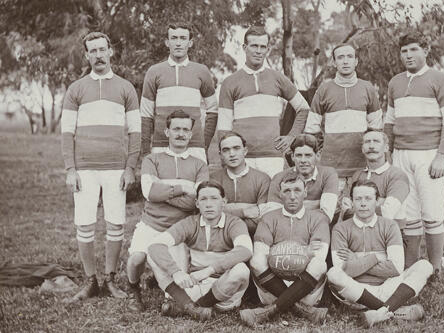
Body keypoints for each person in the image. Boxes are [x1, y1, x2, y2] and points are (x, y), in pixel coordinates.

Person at [61, 31, 141, 301]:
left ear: (110, 51)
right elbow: (67, 133)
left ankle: (110, 280)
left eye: (102, 50)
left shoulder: (125, 87)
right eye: (92, 51)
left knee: (115, 223)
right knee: (84, 224)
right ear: (86, 55)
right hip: (84, 169)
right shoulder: (76, 88)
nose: (98, 55)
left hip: (116, 168)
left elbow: (135, 132)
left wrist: (130, 167)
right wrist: (70, 169)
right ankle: (90, 281)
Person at [384, 31, 444, 274]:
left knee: (432, 212)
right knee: (409, 212)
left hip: (428, 154)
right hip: (400, 154)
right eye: (404, 51)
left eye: (414, 49)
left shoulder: (440, 79)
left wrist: (442, 155)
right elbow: (389, 120)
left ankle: (436, 268)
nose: (408, 55)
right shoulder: (395, 82)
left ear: (425, 51)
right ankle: (412, 267)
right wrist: (388, 152)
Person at [126, 110, 208, 311]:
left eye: (185, 130)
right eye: (176, 129)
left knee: (176, 279)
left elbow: (197, 202)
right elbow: (148, 192)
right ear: (167, 131)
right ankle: (132, 289)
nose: (181, 133)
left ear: (191, 134)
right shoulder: (152, 160)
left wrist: (162, 190)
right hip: (151, 223)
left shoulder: (199, 165)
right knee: (136, 258)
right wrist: (183, 189)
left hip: (179, 229)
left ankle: (167, 294)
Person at [327, 180, 433, 328]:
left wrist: (357, 260)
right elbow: (344, 269)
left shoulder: (390, 226)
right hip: (357, 293)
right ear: (351, 202)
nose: (363, 203)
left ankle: (379, 313)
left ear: (377, 201)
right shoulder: (340, 229)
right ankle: (393, 310)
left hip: (389, 287)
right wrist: (376, 257)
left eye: (368, 198)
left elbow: (395, 268)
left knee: (425, 265)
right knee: (333, 273)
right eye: (358, 199)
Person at [147, 181, 253, 321]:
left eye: (214, 198)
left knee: (241, 270)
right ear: (197, 203)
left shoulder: (234, 223)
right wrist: (176, 272)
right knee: (152, 257)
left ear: (223, 202)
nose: (208, 204)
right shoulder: (190, 223)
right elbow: (155, 245)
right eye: (203, 199)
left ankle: (188, 307)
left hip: (225, 289)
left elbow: (245, 250)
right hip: (196, 286)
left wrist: (209, 270)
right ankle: (193, 308)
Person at [218, 26, 311, 178]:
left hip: (272, 157)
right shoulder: (230, 82)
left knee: (272, 201)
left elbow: (303, 108)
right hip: (242, 157)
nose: (258, 51)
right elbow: (224, 127)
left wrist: (291, 136)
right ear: (244, 47)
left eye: (263, 47)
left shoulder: (277, 78)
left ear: (267, 49)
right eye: (254, 46)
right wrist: (225, 158)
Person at [240, 171, 330, 327]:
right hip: (272, 287)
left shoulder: (318, 218)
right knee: (256, 260)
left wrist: (278, 251)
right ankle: (304, 310)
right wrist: (304, 251)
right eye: (287, 191)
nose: (292, 196)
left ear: (305, 193)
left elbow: (319, 255)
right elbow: (261, 253)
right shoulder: (268, 218)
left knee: (319, 265)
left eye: (297, 190)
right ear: (280, 194)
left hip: (306, 290)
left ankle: (267, 312)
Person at [304, 43, 382, 194]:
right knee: (331, 212)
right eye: (340, 57)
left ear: (356, 61)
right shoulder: (324, 89)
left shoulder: (367, 88)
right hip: (332, 167)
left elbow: (377, 129)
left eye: (349, 57)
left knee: (360, 210)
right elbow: (311, 129)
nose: (345, 61)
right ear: (334, 62)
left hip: (362, 166)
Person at [140, 23, 218, 163]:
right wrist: (146, 151)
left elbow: (213, 110)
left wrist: (203, 143)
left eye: (183, 38)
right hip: (161, 146)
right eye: (174, 38)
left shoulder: (201, 71)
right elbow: (146, 115)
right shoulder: (154, 71)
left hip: (194, 147)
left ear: (190, 43)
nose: (178, 43)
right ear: (167, 42)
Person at [346, 129, 412, 265]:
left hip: (388, 237)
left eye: (376, 141)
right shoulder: (357, 176)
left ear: (386, 147)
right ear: (362, 148)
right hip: (357, 234)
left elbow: (388, 213)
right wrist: (379, 201)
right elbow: (345, 212)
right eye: (367, 142)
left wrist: (358, 205)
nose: (371, 146)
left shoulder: (396, 175)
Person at [210, 131, 271, 236]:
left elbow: (262, 218)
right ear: (220, 155)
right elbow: (210, 213)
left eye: (236, 148)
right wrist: (244, 212)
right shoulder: (213, 179)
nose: (232, 154)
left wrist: (225, 210)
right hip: (219, 238)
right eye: (226, 150)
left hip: (254, 237)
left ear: (245, 151)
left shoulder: (262, 179)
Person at [267, 134, 339, 222]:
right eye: (299, 155)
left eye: (308, 155)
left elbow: (326, 216)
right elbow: (271, 217)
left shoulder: (328, 174)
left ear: (318, 155)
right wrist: (315, 205)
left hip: (316, 230)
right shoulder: (279, 178)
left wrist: (289, 207)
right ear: (292, 156)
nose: (303, 161)